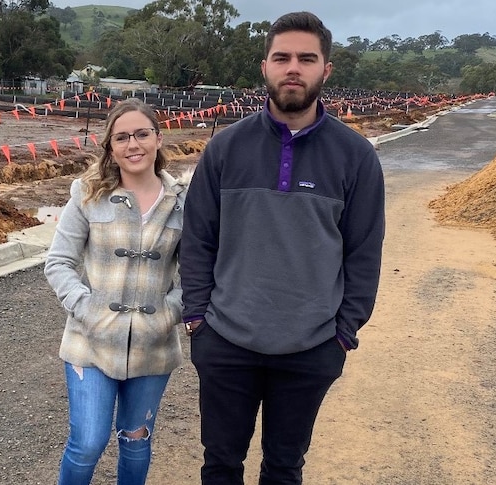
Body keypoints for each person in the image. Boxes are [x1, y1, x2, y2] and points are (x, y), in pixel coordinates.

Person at [179, 11, 385, 485]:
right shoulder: (225, 148)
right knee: (221, 464)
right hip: (226, 342)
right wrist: (198, 320)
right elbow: (198, 238)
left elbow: (364, 253)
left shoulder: (355, 157)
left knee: (284, 467)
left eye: (306, 58)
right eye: (282, 57)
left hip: (311, 346)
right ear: (265, 66)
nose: (294, 67)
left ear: (326, 69)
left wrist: (343, 332)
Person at [44, 97, 188, 485]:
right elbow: (58, 262)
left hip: (154, 346)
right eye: (121, 137)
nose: (133, 144)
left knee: (136, 439)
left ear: (158, 139)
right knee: (87, 443)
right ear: (111, 147)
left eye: (142, 134)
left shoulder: (182, 203)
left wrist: (168, 314)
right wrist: (85, 308)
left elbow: (196, 275)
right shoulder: (87, 194)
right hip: (89, 343)